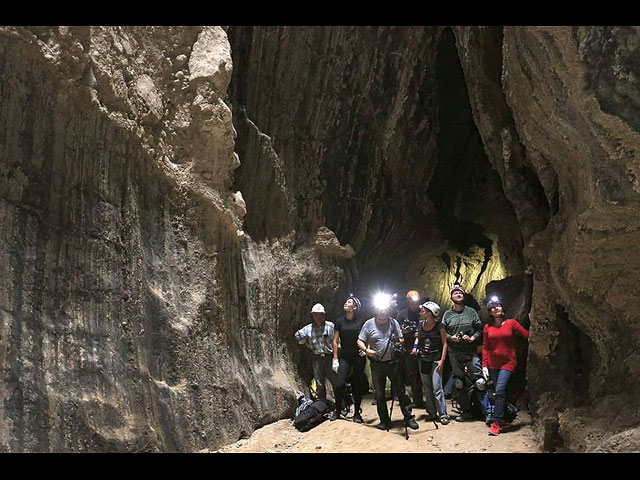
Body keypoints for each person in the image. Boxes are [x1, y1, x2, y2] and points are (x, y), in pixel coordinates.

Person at [357, 293, 419, 431]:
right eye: (380, 309)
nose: (382, 311)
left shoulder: (393, 322)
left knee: (401, 391)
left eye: (384, 309)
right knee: (379, 394)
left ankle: (409, 418)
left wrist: (397, 343)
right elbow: (360, 340)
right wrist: (367, 351)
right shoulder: (368, 324)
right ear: (376, 310)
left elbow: (401, 339)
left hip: (393, 363)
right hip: (377, 364)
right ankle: (384, 421)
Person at [482, 296, 530, 436]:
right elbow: (486, 347)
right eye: (493, 307)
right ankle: (507, 415)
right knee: (499, 393)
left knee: (500, 390)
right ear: (490, 312)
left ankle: (496, 423)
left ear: (502, 308)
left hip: (508, 362)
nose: (496, 308)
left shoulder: (511, 323)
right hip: (492, 364)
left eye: (498, 306)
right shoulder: (487, 327)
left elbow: (527, 335)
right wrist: (484, 365)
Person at [442, 282, 483, 422]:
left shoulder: (471, 312)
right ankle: (466, 411)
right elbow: (442, 332)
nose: (458, 295)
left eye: (460, 293)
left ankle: (487, 411)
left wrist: (472, 338)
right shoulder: (447, 314)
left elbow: (480, 329)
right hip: (454, 352)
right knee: (459, 382)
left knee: (480, 381)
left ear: (463, 296)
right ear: (451, 297)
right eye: (455, 293)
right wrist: (451, 338)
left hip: (470, 351)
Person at [411, 301, 450, 425]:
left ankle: (443, 414)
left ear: (430, 313)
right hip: (423, 359)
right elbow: (418, 337)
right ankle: (432, 413)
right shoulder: (420, 324)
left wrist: (442, 360)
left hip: (435, 360)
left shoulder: (440, 326)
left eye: (423, 310)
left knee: (437, 388)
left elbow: (444, 344)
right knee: (427, 388)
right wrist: (415, 347)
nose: (421, 312)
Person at [331, 294, 368, 423]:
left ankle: (357, 413)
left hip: (358, 356)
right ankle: (337, 411)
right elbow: (335, 341)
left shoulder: (360, 321)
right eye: (346, 301)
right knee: (339, 384)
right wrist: (335, 359)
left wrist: (365, 349)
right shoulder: (340, 321)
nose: (346, 303)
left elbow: (367, 336)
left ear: (355, 307)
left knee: (357, 384)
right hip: (345, 356)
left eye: (349, 302)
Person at [294, 303, 337, 403]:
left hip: (329, 357)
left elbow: (337, 342)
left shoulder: (330, 326)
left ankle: (340, 405)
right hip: (317, 358)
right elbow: (297, 335)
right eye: (316, 314)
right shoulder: (308, 329)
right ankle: (322, 405)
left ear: (324, 315)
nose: (318, 317)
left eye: (320, 314)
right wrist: (306, 343)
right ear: (313, 316)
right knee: (319, 383)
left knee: (335, 381)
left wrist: (336, 358)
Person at [397, 290, 425, 409]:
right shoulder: (402, 314)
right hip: (408, 348)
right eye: (411, 301)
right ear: (408, 301)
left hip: (424, 347)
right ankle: (417, 400)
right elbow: (397, 330)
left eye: (416, 301)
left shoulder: (423, 312)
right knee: (413, 375)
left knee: (424, 375)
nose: (414, 303)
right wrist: (403, 332)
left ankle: (429, 401)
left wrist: (421, 333)